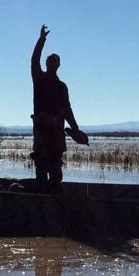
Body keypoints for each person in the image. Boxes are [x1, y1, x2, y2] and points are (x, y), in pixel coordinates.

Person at [30, 25, 83, 193]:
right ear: (47, 64)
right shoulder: (39, 78)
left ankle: (54, 197)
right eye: (50, 62)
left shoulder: (61, 86)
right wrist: (41, 40)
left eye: (54, 62)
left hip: (56, 130)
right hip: (42, 128)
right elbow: (34, 60)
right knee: (41, 164)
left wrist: (75, 128)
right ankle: (41, 197)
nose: (52, 65)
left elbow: (67, 109)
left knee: (55, 165)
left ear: (58, 65)